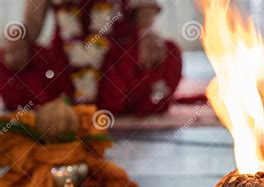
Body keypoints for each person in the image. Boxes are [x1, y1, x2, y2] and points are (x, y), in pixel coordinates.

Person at [0, 0, 182, 118]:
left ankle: (85, 105)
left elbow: (146, 20)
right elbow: (31, 24)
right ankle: (69, 106)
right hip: (63, 70)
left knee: (169, 56)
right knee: (4, 60)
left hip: (118, 66)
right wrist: (18, 39)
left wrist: (149, 35)